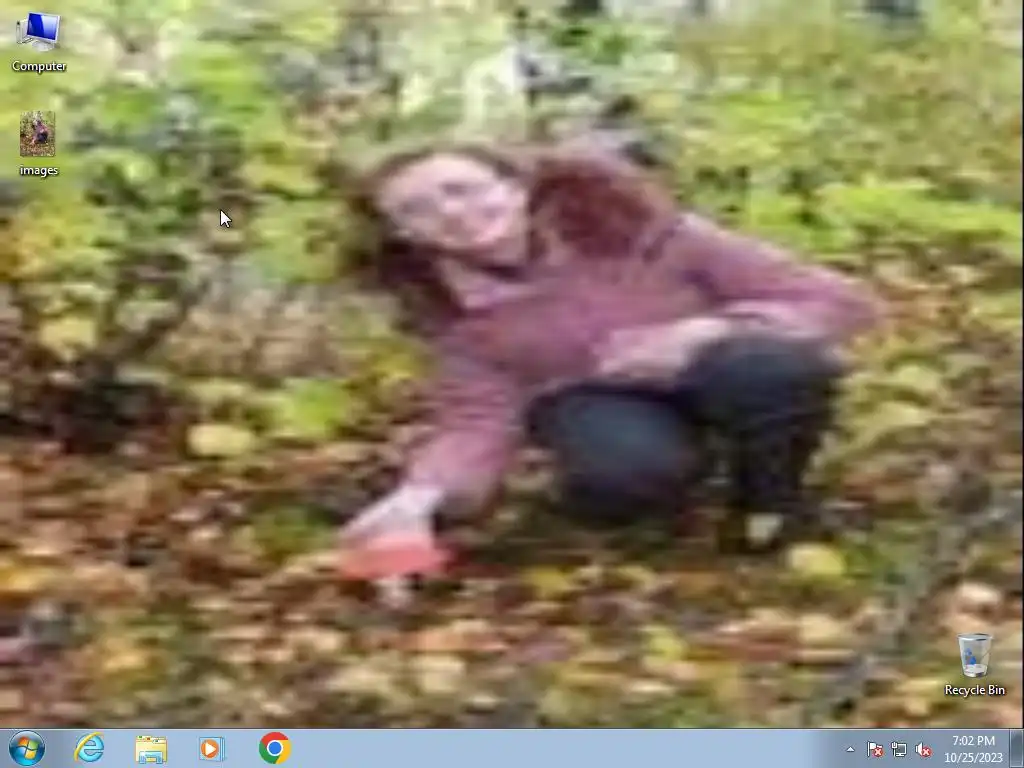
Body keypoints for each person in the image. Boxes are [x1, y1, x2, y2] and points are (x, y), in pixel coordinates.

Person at [337, 140, 882, 591]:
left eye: (463, 189)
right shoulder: (450, 310)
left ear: (517, 187)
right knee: (620, 481)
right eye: (417, 209)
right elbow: (477, 420)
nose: (452, 213)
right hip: (592, 399)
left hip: (715, 365)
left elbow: (839, 301)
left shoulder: (648, 233)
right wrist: (420, 498)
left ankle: (769, 505)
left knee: (771, 366)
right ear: (403, 233)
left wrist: (709, 329)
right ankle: (672, 476)